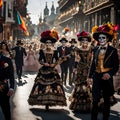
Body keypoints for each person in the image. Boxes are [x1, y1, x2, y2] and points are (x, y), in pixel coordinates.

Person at [28, 30, 67, 111]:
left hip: (52, 69)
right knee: (41, 85)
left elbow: (57, 60)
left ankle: (51, 101)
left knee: (54, 85)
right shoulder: (42, 51)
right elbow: (39, 60)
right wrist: (44, 63)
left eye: (50, 43)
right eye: (47, 43)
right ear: (45, 43)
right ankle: (44, 102)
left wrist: (54, 64)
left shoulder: (55, 51)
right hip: (44, 69)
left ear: (52, 43)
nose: (48, 44)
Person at [87, 23, 119, 120]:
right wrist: (89, 76)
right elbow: (93, 64)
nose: (101, 40)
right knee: (95, 100)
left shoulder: (113, 50)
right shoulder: (95, 49)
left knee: (106, 100)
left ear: (107, 39)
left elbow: (116, 66)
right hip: (96, 76)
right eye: (100, 38)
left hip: (106, 78)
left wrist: (109, 74)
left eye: (103, 38)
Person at [69, 31, 92, 112]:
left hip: (88, 68)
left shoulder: (91, 48)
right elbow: (76, 59)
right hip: (80, 69)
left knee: (87, 85)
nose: (84, 42)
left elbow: (92, 59)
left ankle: (88, 104)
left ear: (88, 41)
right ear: (80, 41)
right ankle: (78, 105)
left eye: (86, 40)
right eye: (83, 40)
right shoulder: (77, 49)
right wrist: (75, 68)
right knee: (80, 85)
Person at [0, 42, 15, 120]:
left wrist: (12, 87)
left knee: (6, 110)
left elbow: (11, 75)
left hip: (3, 87)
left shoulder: (7, 60)